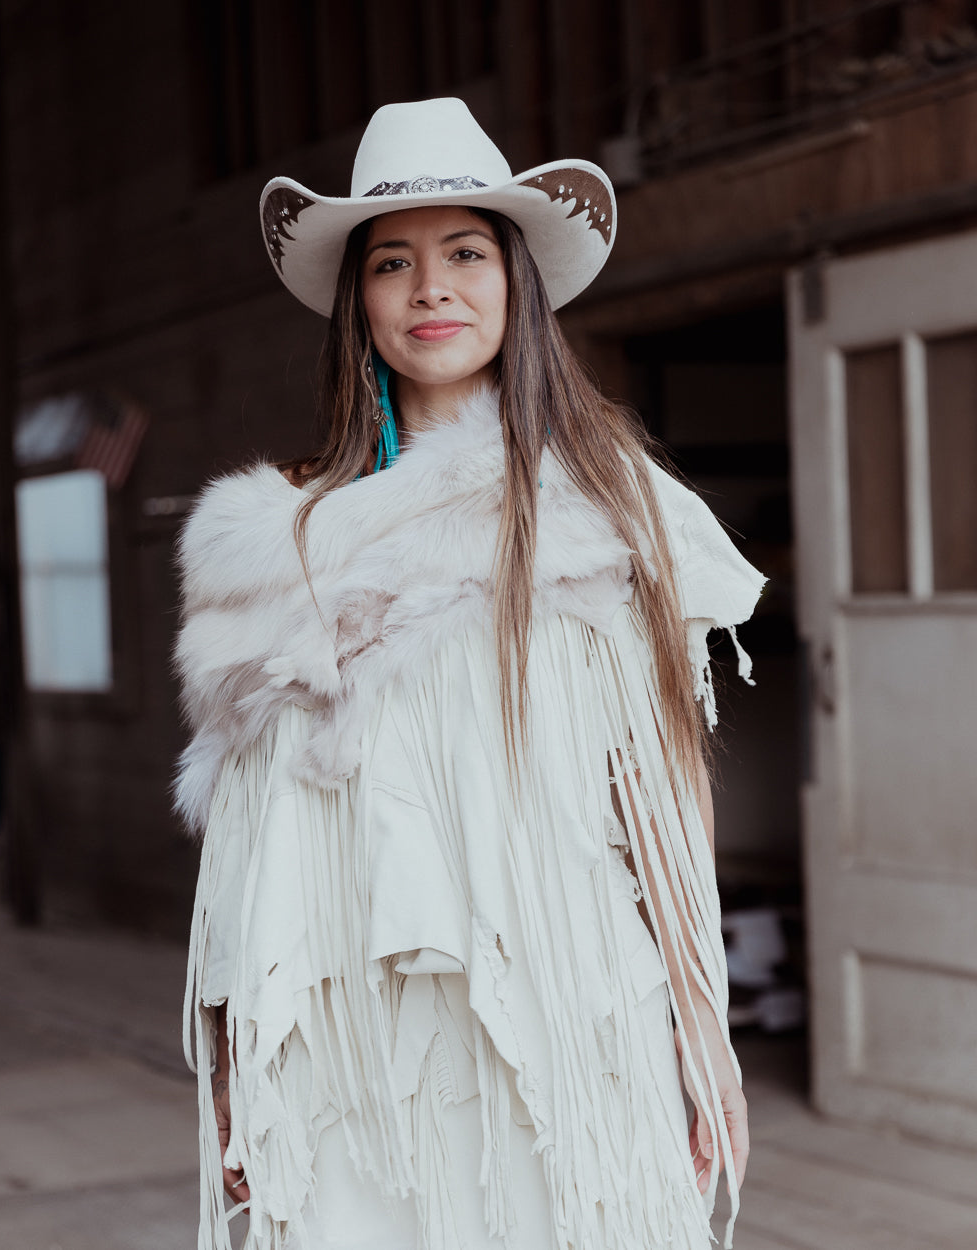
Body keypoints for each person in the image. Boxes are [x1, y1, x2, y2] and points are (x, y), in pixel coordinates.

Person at [177, 97, 764, 1250]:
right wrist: (237, 1050)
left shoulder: (611, 507)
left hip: (572, 1007)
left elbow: (662, 792)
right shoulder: (281, 543)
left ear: (514, 283)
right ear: (360, 305)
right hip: (353, 1039)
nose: (429, 287)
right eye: (392, 263)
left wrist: (704, 1030)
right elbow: (249, 840)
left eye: (463, 253)